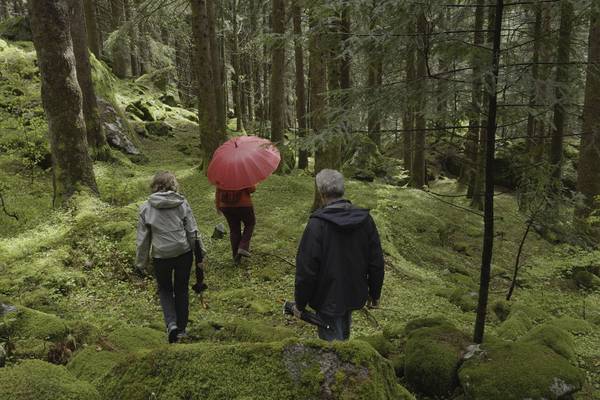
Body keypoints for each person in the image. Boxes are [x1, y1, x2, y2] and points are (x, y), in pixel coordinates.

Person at [293, 169, 384, 341]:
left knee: (334, 351)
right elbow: (376, 261)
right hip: (353, 291)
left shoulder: (317, 225)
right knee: (343, 339)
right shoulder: (365, 220)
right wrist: (375, 293)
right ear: (342, 190)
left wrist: (300, 303)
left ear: (322, 193)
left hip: (326, 296)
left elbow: (306, 269)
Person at [136, 172, 205, 343]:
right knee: (181, 289)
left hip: (161, 256)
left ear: (154, 186)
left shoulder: (146, 207)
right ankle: (181, 330)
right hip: (183, 252)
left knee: (165, 289)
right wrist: (200, 253)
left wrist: (141, 263)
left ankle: (171, 324)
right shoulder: (182, 203)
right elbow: (192, 231)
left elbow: (143, 240)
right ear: (173, 185)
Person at [215, 186, 256, 264]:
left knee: (234, 230)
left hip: (226, 206)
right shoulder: (243, 174)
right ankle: (243, 246)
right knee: (250, 223)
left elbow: (218, 191)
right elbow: (251, 189)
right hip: (244, 205)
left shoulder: (222, 175)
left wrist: (218, 206)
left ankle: (236, 258)